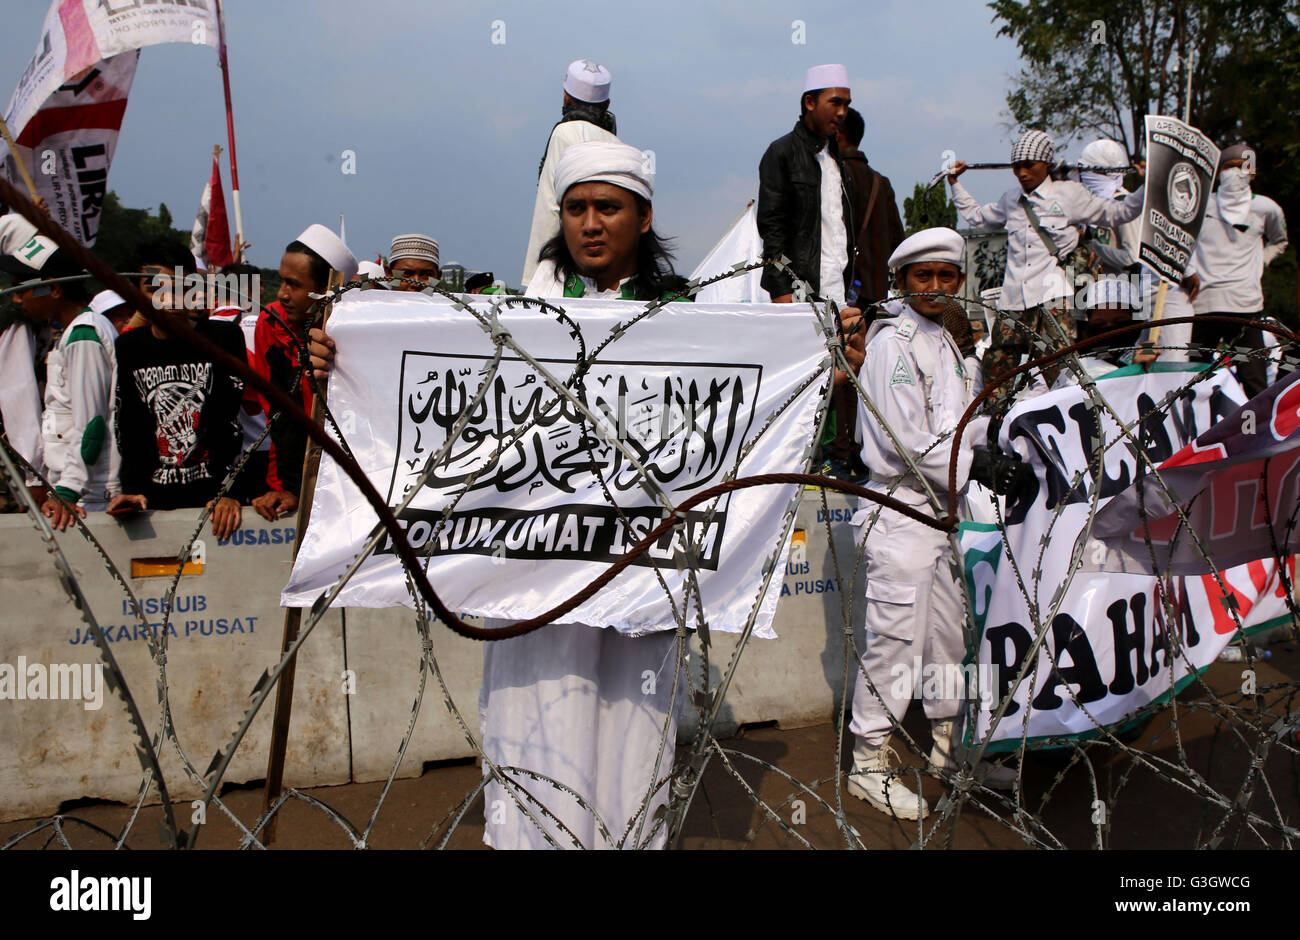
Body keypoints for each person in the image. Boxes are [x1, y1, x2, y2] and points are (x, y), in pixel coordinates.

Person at [309, 141, 688, 849]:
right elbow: (423, 392)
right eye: (576, 208)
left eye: (608, 207)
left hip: (636, 570)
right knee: (537, 721)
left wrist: (833, 361)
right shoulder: (518, 316)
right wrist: (343, 356)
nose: (591, 223)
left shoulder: (688, 317)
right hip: (534, 575)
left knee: (633, 733)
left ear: (643, 216)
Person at [847, 227, 1021, 820]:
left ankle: (953, 750)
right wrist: (977, 462)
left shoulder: (948, 345)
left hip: (944, 511)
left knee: (951, 637)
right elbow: (907, 442)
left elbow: (962, 424)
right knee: (897, 640)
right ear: (901, 280)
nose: (937, 287)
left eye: (948, 277)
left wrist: (991, 445)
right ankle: (868, 761)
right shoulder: (893, 343)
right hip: (899, 509)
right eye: (924, 276)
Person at [947, 130, 1145, 403]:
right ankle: (994, 426)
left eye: (1030, 165)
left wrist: (1148, 184)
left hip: (1053, 298)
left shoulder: (1069, 195)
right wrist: (954, 183)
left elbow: (1118, 213)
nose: (1022, 173)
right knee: (998, 368)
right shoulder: (1010, 200)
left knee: (1060, 367)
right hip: (1013, 299)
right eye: (1017, 166)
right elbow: (978, 218)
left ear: (1047, 164)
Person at [107, 256, 247, 538]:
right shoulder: (129, 346)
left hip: (214, 500)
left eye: (178, 288)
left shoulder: (223, 338)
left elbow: (228, 419)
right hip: (150, 503)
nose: (168, 299)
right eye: (155, 289)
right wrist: (131, 490)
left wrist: (229, 491)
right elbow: (129, 422)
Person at [2, 232, 117, 530]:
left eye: (21, 288)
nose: (16, 298)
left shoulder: (84, 336)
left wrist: (67, 490)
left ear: (53, 289)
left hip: (88, 497)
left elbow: (91, 424)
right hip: (81, 492)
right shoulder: (71, 334)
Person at [249, 225, 357, 522]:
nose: (282, 294)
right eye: (281, 281)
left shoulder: (353, 334)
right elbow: (278, 416)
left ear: (325, 290)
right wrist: (283, 486)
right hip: (295, 481)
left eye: (293, 285)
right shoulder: (271, 324)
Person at [1185, 143, 1289, 397]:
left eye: (1241, 167)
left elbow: (1280, 241)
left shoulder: (1267, 208)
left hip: (1246, 306)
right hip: (1204, 306)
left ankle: (1256, 435)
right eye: (1229, 167)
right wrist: (1189, 271)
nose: (1234, 172)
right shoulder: (1200, 206)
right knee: (1192, 380)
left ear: (1252, 173)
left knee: (1253, 380)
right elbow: (1183, 241)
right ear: (1219, 172)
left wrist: (1261, 262)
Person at [757, 64, 856, 306]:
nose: (842, 112)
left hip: (838, 293)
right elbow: (772, 228)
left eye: (846, 104)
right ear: (810, 102)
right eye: (835, 103)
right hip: (798, 294)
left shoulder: (836, 160)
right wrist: (781, 292)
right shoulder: (782, 152)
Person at [521, 59, 619, 287]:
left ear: (566, 97)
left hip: (562, 266)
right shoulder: (615, 141)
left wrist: (541, 274)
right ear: (607, 104)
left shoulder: (564, 133)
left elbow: (551, 204)